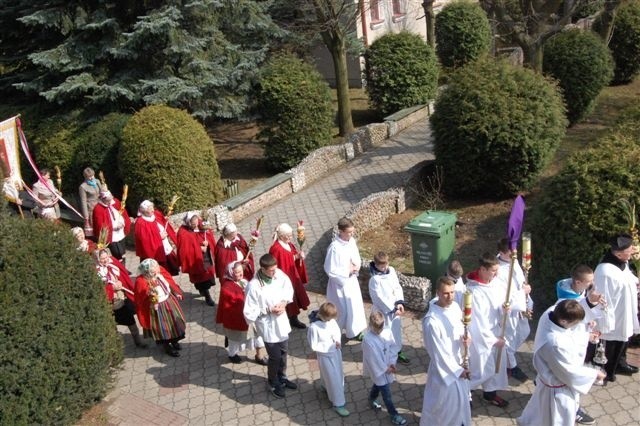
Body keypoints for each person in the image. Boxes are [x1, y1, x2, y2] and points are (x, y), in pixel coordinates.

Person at [517, 300, 605, 426]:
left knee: (537, 417)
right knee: (554, 420)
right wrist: (595, 374)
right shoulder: (555, 343)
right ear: (564, 321)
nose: (576, 326)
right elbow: (568, 371)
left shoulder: (551, 313)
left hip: (546, 385)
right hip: (557, 393)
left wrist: (587, 335)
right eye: (574, 323)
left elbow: (568, 334)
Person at [420, 276, 471, 426]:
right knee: (444, 409)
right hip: (445, 372)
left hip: (459, 363)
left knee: (461, 404)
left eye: (453, 292)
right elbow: (437, 353)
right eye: (446, 293)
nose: (450, 297)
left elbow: (462, 330)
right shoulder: (432, 321)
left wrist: (466, 340)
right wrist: (457, 371)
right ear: (438, 293)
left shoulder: (455, 307)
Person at [243, 253, 296, 398]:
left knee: (284, 352)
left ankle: (282, 377)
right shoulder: (253, 286)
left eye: (275, 269)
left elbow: (288, 289)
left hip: (281, 321)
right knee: (275, 356)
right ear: (263, 269)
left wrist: (284, 303)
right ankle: (273, 382)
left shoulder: (278, 274)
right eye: (271, 270)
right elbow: (249, 312)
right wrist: (268, 309)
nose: (274, 272)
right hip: (267, 324)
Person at [593, 233, 640, 382]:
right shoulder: (605, 272)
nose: (632, 252)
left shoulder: (622, 262)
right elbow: (603, 298)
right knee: (611, 344)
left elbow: (628, 276)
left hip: (624, 311)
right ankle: (606, 372)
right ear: (619, 253)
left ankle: (620, 363)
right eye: (629, 250)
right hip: (613, 316)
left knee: (624, 339)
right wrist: (605, 323)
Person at [466, 253, 510, 407]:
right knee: (483, 369)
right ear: (483, 269)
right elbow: (477, 322)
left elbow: (499, 305)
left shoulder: (494, 283)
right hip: (481, 336)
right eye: (493, 271)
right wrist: (492, 340)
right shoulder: (473, 292)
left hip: (496, 330)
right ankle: (465, 393)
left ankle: (490, 394)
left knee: (496, 367)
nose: (497, 274)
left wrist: (505, 309)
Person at [324, 217, 367, 340]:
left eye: (352, 231)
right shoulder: (334, 248)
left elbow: (356, 256)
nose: (351, 234)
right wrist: (347, 271)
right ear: (341, 231)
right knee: (341, 311)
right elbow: (329, 269)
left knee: (355, 307)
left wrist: (355, 266)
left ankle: (354, 331)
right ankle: (334, 335)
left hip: (352, 282)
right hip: (340, 285)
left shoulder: (351, 241)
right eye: (349, 232)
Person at [94, 248, 147, 348]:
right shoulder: (96, 271)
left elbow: (123, 276)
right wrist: (111, 288)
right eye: (102, 259)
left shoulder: (113, 264)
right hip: (109, 304)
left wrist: (121, 283)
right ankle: (116, 347)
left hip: (122, 301)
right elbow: (98, 288)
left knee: (131, 322)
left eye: (106, 257)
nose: (105, 260)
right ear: (97, 259)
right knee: (112, 326)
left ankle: (138, 342)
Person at [495, 237, 532, 382]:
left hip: (520, 306)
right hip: (509, 310)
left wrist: (527, 300)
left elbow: (521, 280)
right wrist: (523, 292)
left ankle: (508, 359)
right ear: (502, 253)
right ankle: (512, 367)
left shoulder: (514, 260)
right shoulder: (498, 270)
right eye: (510, 254)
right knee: (508, 339)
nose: (514, 256)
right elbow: (504, 294)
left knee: (524, 331)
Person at [217, 262, 267, 365]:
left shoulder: (244, 281)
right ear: (231, 272)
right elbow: (232, 304)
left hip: (251, 316)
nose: (240, 274)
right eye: (237, 272)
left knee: (258, 336)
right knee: (235, 339)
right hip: (236, 319)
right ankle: (232, 354)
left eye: (241, 271)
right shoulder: (226, 287)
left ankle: (260, 355)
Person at [134, 258, 186, 357]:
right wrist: (149, 296)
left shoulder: (160, 273)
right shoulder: (141, 281)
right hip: (157, 309)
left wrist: (176, 292)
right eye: (155, 267)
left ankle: (175, 341)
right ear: (149, 271)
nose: (158, 268)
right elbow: (140, 299)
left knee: (175, 324)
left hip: (169, 302)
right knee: (163, 328)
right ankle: (167, 347)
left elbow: (169, 283)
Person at [362, 311, 406, 426]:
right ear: (370, 325)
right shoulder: (368, 339)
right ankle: (394, 415)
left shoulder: (386, 331)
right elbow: (372, 358)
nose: (379, 332)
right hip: (378, 368)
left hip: (387, 366)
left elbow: (392, 347)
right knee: (386, 394)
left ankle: (371, 399)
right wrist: (385, 369)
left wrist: (392, 362)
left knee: (378, 384)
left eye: (380, 328)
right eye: (376, 329)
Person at [307, 302, 349, 417]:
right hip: (325, 355)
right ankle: (338, 403)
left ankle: (326, 386)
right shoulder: (314, 327)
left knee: (336, 375)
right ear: (324, 316)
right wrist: (328, 347)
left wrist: (337, 341)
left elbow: (336, 332)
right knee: (334, 378)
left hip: (335, 353)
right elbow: (313, 345)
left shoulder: (331, 321)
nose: (331, 320)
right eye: (330, 318)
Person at [369, 251, 409, 364]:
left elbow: (397, 287)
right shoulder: (374, 280)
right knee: (384, 333)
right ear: (376, 265)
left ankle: (397, 351)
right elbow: (378, 297)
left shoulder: (391, 271)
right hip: (383, 311)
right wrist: (392, 308)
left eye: (386, 264)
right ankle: (383, 354)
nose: (384, 268)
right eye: (381, 266)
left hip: (395, 308)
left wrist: (399, 303)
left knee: (395, 332)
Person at [269, 223, 310, 329]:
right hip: (283, 280)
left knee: (294, 298)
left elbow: (292, 255)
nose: (291, 238)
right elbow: (278, 264)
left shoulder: (288, 244)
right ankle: (285, 321)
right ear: (282, 236)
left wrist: (299, 256)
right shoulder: (276, 248)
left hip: (292, 275)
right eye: (289, 236)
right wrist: (295, 256)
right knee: (286, 300)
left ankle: (294, 319)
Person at [176, 212, 217, 306]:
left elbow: (207, 232)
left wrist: (207, 241)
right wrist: (199, 249)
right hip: (194, 259)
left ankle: (204, 290)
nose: (196, 225)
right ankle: (207, 297)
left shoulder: (199, 225)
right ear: (188, 223)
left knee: (208, 276)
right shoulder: (183, 233)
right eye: (193, 224)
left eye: (197, 222)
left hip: (205, 257)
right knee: (201, 279)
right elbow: (185, 250)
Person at [134, 200, 179, 275]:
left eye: (152, 208)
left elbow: (162, 221)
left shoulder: (156, 214)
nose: (152, 210)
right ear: (144, 211)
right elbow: (144, 240)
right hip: (154, 253)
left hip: (164, 246)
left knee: (171, 270)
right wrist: (159, 237)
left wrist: (165, 219)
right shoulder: (140, 223)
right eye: (150, 209)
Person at [92, 189, 131, 265]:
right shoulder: (98, 208)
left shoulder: (115, 201)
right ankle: (119, 266)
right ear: (103, 199)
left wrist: (123, 222)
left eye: (111, 199)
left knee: (123, 251)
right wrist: (113, 227)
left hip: (120, 232)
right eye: (108, 201)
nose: (110, 202)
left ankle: (124, 267)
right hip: (111, 234)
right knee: (116, 252)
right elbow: (100, 224)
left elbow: (123, 212)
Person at [78, 167, 101, 238]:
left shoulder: (97, 181)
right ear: (85, 177)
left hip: (100, 207)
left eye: (92, 176)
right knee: (94, 228)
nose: (91, 178)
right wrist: (86, 216)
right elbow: (83, 201)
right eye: (89, 177)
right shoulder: (83, 187)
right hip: (91, 209)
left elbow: (101, 192)